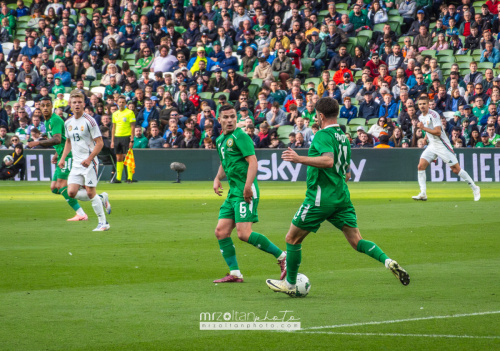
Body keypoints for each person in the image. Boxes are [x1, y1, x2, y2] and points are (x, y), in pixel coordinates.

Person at [265, 97, 409, 296]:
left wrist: (298, 158)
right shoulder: (343, 136)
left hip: (321, 197)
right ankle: (387, 261)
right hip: (341, 196)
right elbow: (347, 173)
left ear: (321, 115)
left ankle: (290, 284)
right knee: (357, 241)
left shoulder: (322, 135)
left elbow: (328, 161)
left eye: (316, 114)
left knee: (292, 239)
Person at [212, 105, 286, 283]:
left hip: (245, 190)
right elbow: (225, 163)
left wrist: (247, 187)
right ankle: (235, 273)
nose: (229, 120)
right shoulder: (220, 140)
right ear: (219, 120)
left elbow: (253, 162)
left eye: (232, 117)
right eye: (226, 117)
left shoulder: (241, 136)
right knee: (221, 232)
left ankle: (283, 257)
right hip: (233, 192)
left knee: (244, 233)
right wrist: (217, 178)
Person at [26, 97, 107, 220]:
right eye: (43, 106)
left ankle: (81, 213)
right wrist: (57, 154)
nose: (46, 108)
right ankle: (99, 198)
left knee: (63, 186)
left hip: (69, 156)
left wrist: (38, 142)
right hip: (62, 155)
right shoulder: (47, 122)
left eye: (48, 105)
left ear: (52, 106)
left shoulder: (55, 120)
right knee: (54, 188)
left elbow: (58, 139)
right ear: (40, 108)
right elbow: (63, 141)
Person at [412, 96, 481, 201]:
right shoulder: (421, 116)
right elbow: (428, 129)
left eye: (424, 104)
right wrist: (426, 137)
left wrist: (423, 128)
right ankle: (423, 193)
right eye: (420, 104)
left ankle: (475, 188)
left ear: (428, 104)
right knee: (420, 166)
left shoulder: (433, 115)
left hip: (442, 145)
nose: (422, 106)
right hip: (432, 145)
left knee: (455, 169)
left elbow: (438, 132)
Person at [59, 92, 110, 231]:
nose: (76, 105)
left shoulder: (90, 121)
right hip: (76, 163)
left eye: (79, 102)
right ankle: (101, 198)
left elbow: (99, 143)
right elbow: (68, 141)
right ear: (70, 104)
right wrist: (62, 158)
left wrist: (89, 159)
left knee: (89, 193)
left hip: (90, 162)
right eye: (74, 102)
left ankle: (103, 222)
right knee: (71, 192)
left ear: (84, 104)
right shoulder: (68, 122)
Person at [111, 96, 136, 184]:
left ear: (125, 104)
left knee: (128, 156)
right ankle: (118, 178)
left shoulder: (130, 113)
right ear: (117, 103)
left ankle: (129, 178)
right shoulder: (115, 114)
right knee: (118, 157)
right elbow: (113, 128)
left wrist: (132, 139)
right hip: (117, 137)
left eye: (123, 102)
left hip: (126, 136)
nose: (121, 104)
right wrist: (112, 141)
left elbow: (133, 127)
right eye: (119, 102)